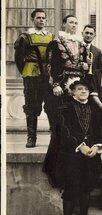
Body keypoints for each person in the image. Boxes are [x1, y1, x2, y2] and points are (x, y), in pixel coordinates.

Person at [55, 79, 102, 215]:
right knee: (70, 189)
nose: (83, 92)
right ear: (73, 91)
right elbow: (65, 131)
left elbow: (98, 130)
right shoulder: (65, 108)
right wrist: (79, 146)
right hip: (72, 154)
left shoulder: (94, 109)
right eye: (80, 89)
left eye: (86, 90)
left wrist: (95, 147)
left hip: (90, 154)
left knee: (86, 188)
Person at [14, 8, 53, 148]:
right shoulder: (25, 37)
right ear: (32, 20)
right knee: (31, 106)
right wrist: (26, 70)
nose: (41, 20)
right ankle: (31, 138)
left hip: (47, 76)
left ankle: (54, 138)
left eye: (43, 18)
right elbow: (19, 58)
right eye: (38, 18)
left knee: (50, 105)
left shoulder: (50, 36)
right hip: (32, 74)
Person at [45, 14, 89, 133]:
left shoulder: (81, 44)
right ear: (64, 24)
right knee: (60, 113)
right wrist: (55, 84)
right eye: (71, 22)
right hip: (61, 81)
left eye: (75, 23)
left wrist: (85, 65)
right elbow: (50, 65)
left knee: (76, 111)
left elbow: (84, 64)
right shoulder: (55, 43)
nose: (74, 25)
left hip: (78, 82)